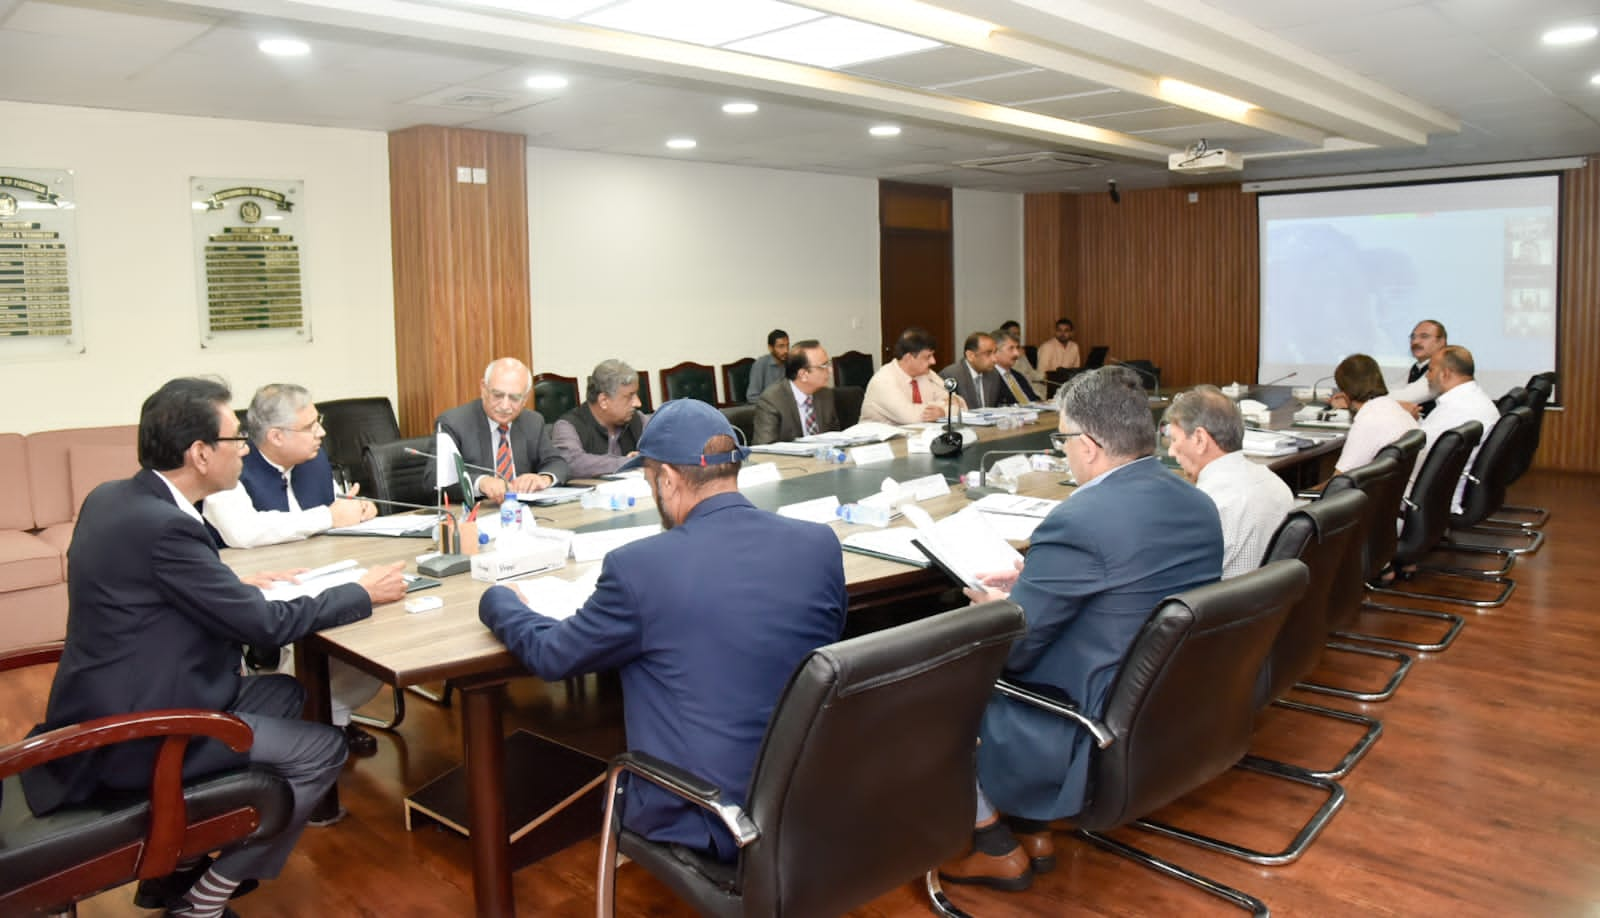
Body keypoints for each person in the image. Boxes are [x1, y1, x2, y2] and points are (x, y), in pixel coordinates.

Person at [21, 377, 407, 918]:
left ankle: (178, 864)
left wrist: (238, 585)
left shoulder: (115, 497)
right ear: (201, 454)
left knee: (288, 696)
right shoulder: (166, 527)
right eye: (235, 440)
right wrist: (360, 593)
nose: (245, 450)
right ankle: (206, 896)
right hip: (140, 729)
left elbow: (159, 589)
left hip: (108, 698)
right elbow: (266, 629)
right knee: (323, 750)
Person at [479, 399, 846, 860]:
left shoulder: (640, 568)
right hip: (810, 795)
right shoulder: (818, 545)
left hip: (709, 815)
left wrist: (499, 599)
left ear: (668, 479)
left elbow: (554, 656)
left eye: (650, 478)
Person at [939, 367, 1222, 891]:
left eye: (1063, 439)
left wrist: (993, 608)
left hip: (1081, 720)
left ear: (1089, 446)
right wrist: (1034, 579)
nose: (1063, 450)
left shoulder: (1081, 519)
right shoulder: (1197, 503)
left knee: (936, 677)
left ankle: (993, 845)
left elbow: (1017, 652)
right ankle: (1034, 827)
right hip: (1163, 708)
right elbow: (1125, 586)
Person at [202, 383, 386, 756]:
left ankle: (330, 714)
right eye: (311, 425)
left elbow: (334, 507)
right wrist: (327, 516)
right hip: (256, 584)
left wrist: (357, 509)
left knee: (372, 624)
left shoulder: (314, 459)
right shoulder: (231, 465)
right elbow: (243, 533)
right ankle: (311, 720)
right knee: (320, 629)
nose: (321, 432)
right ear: (275, 436)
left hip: (320, 569)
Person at [1164, 385, 1294, 579]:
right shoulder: (1276, 483)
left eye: (1174, 440)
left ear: (1200, 439)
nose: (1171, 452)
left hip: (1218, 607)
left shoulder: (1208, 505)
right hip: (1270, 604)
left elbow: (1176, 581)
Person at [433, 357, 570, 504]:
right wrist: (480, 483)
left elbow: (557, 462)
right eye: (498, 395)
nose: (505, 406)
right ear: (483, 389)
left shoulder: (533, 421)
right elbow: (434, 478)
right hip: (475, 515)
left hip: (524, 513)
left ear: (525, 398)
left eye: (514, 398)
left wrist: (543, 478)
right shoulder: (454, 423)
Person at [1418, 345, 1500, 513]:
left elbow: (1418, 453)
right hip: (1457, 489)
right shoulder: (1474, 399)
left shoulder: (1454, 410)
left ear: (1445, 373)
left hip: (1436, 497)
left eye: (1431, 370)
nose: (1427, 376)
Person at [551, 359, 647, 478]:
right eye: (630, 396)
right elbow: (572, 464)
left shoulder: (637, 419)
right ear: (603, 401)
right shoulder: (568, 426)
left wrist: (648, 457)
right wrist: (631, 462)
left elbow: (664, 448)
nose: (638, 403)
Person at [1328, 354, 1419, 476]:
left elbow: (1340, 482)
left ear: (1344, 394)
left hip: (1378, 493)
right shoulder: (1394, 408)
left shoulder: (1368, 420)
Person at [1336, 319, 1445, 419]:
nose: (1415, 342)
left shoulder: (1441, 368)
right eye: (1413, 337)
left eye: (1424, 336)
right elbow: (1390, 389)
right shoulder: (1417, 367)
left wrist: (1357, 401)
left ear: (1441, 341)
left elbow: (1408, 396)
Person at [861, 327, 967, 424]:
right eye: (928, 357)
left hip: (915, 438)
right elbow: (911, 418)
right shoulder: (883, 380)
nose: (933, 361)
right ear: (909, 357)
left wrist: (943, 412)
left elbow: (961, 404)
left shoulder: (927, 374)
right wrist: (944, 406)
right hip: (878, 442)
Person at [752, 338, 840, 444]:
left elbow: (835, 438)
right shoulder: (771, 401)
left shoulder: (825, 395)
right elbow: (764, 449)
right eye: (824, 366)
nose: (830, 370)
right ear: (803, 375)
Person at [940, 332, 1001, 410]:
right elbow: (949, 412)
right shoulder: (950, 375)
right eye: (988, 354)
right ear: (970, 356)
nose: (995, 359)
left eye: (995, 352)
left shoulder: (994, 374)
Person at [991, 328, 1040, 406]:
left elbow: (1033, 399)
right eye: (1011, 348)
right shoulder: (988, 378)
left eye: (1017, 348)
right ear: (995, 351)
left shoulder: (1017, 375)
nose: (1017, 353)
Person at [745, 328, 789, 402]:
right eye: (781, 346)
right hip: (768, 408)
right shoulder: (761, 364)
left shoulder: (791, 362)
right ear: (770, 348)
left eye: (787, 345)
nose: (786, 350)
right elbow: (752, 396)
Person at [999, 320, 1044, 385]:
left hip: (1032, 385)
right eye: (1014, 334)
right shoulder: (1002, 356)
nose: (1017, 337)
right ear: (1004, 336)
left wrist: (1044, 376)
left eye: (1018, 334)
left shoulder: (1021, 351)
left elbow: (1030, 372)